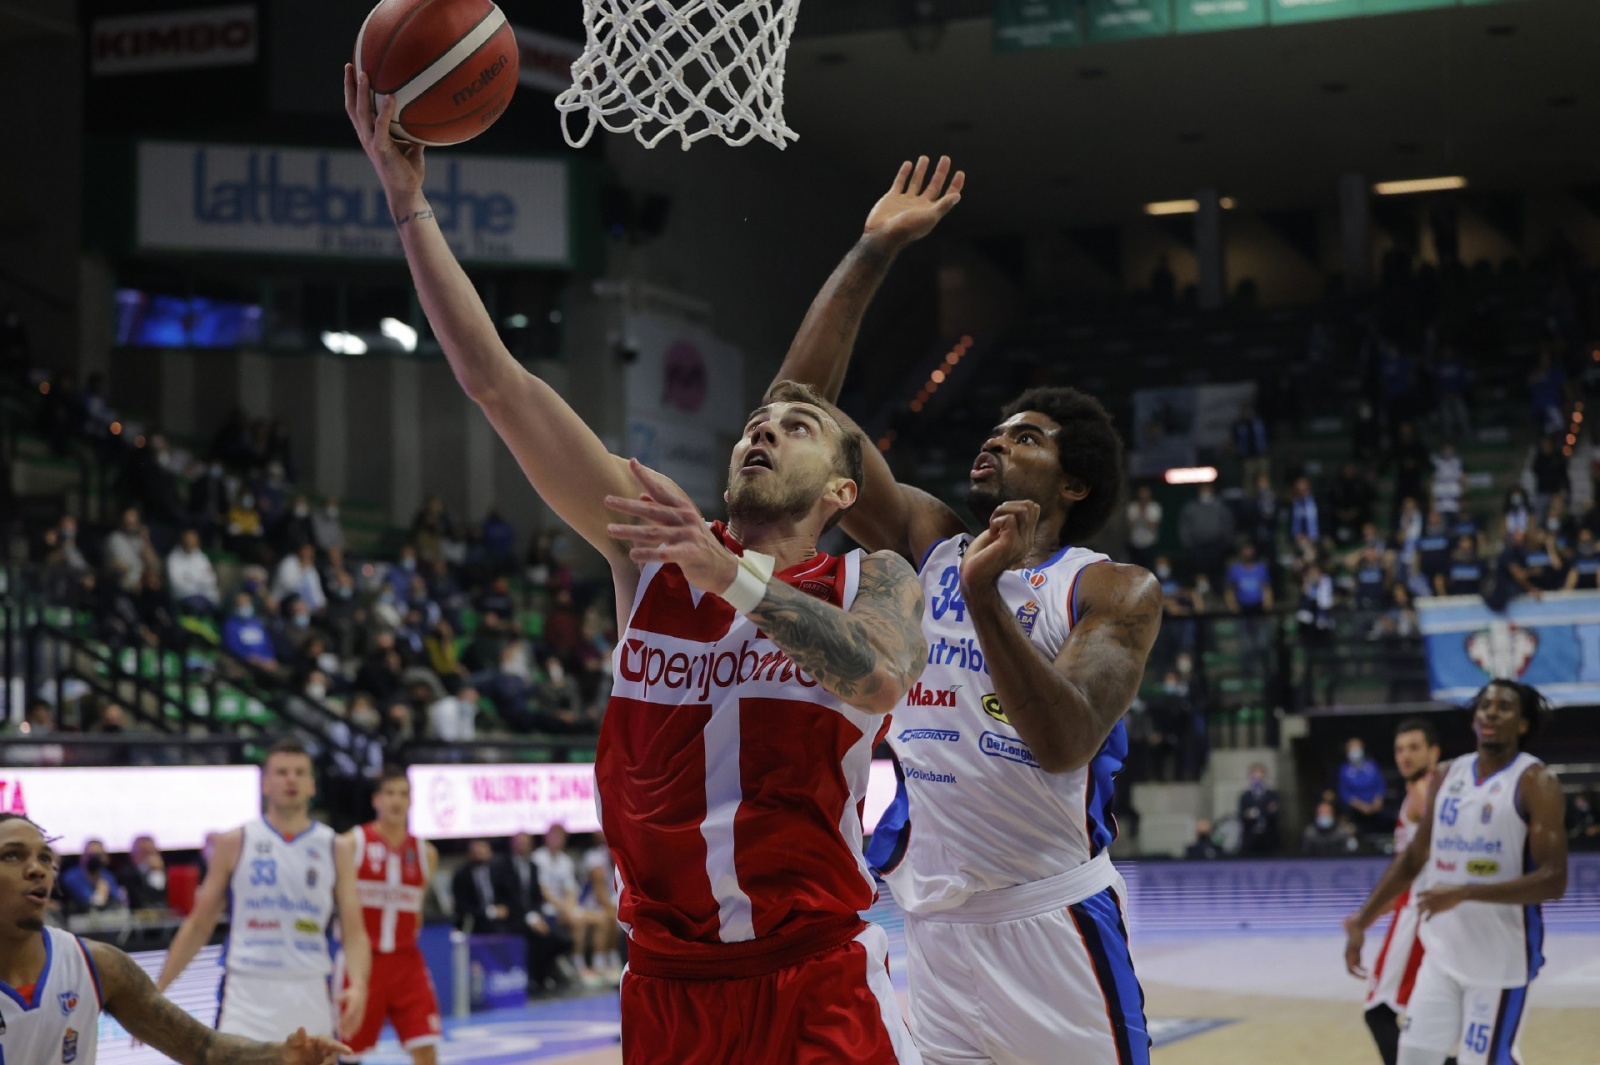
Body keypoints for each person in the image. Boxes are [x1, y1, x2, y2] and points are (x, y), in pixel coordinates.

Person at [348, 71, 928, 1064]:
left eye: (795, 426)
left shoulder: (871, 578)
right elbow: (497, 383)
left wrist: (728, 574)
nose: (762, 431)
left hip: (814, 976)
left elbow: (877, 677)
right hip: (666, 986)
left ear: (843, 490)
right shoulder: (650, 547)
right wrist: (408, 205)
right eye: (756, 421)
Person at [774, 155, 1160, 1065]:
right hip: (935, 932)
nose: (996, 437)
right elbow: (795, 413)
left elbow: (1062, 740)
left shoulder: (1111, 588)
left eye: (1026, 436)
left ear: (1073, 482)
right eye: (996, 427)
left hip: (1053, 924)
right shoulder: (929, 539)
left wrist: (984, 598)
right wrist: (872, 250)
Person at [0, 814, 350, 1065]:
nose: (37, 868)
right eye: (12, 855)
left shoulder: (97, 965)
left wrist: (279, 1055)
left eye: (44, 857)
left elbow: (202, 1047)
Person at [1343, 681, 1568, 1065]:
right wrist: (1362, 921)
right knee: (1412, 1058)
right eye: (1484, 706)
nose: (1491, 712)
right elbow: (1413, 858)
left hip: (1499, 960)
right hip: (1442, 955)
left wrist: (1466, 892)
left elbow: (1553, 880)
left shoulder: (1535, 782)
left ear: (1523, 724)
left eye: (1504, 707)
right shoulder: (1448, 776)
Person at [157, 739, 371, 1042]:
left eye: (300, 772)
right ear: (265, 784)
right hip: (246, 992)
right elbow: (199, 924)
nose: (291, 779)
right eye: (281, 772)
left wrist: (359, 985)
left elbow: (354, 931)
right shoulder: (235, 842)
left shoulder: (336, 847)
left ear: (312, 785)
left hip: (309, 988)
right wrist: (158, 989)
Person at [1350, 719, 1444, 1065]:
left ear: (1434, 752)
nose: (1405, 756)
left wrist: (1363, 921)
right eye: (1400, 749)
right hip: (1421, 910)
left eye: (1414, 748)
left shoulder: (1422, 791)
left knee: (1379, 1011)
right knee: (1426, 1016)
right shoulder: (1422, 791)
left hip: (1416, 916)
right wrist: (1370, 914)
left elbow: (1414, 868)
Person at [340, 768, 443, 1063]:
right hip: (363, 963)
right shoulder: (352, 843)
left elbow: (417, 911)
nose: (396, 801)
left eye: (403, 794)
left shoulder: (426, 852)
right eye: (389, 793)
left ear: (411, 801)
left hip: (407, 961)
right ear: (376, 800)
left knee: (426, 1047)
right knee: (348, 1053)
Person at [495, 832, 571, 991]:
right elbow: (507, 897)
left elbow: (537, 897)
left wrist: (536, 916)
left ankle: (542, 976)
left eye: (526, 842)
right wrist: (530, 918)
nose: (522, 846)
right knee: (538, 938)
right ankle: (534, 980)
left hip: (534, 916)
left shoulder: (533, 866)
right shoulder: (501, 866)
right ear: (512, 844)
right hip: (511, 918)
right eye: (519, 842)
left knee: (562, 940)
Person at [61, 837, 127, 913]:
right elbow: (90, 902)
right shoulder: (71, 877)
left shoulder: (107, 875)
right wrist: (101, 891)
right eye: (91, 856)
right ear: (83, 857)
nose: (95, 860)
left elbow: (118, 898)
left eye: (98, 856)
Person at [1339, 737, 1388, 835]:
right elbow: (1345, 793)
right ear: (1347, 751)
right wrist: (1361, 806)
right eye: (1353, 749)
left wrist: (1378, 800)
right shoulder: (1344, 770)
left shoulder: (1372, 765)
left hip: (1375, 807)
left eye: (1358, 748)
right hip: (1356, 810)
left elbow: (1380, 784)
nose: (1356, 751)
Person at [1237, 763, 1281, 855]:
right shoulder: (1245, 796)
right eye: (1254, 775)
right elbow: (1242, 815)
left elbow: (1274, 812)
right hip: (1250, 837)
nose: (1257, 778)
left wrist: (1256, 812)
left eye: (1260, 775)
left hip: (1269, 838)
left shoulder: (1272, 795)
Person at [119, 833, 170, 910]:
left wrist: (158, 872)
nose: (150, 857)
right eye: (145, 853)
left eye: (153, 852)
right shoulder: (128, 875)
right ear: (134, 855)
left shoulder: (167, 873)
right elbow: (142, 900)